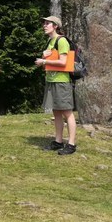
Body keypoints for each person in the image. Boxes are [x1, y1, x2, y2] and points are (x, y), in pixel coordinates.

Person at [34, 15, 78, 155]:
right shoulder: (50, 41)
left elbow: (63, 62)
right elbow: (49, 63)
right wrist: (44, 59)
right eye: (44, 23)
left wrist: (44, 61)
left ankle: (71, 144)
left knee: (67, 112)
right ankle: (58, 141)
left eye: (48, 23)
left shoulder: (62, 40)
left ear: (55, 26)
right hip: (51, 80)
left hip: (61, 81)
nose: (44, 26)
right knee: (56, 111)